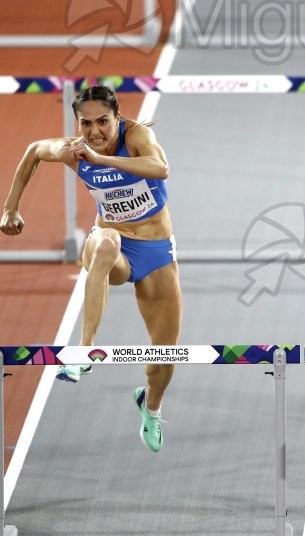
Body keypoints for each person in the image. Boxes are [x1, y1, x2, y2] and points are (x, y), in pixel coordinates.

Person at [1, 85, 181, 453]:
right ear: (77, 122)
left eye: (103, 121)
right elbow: (34, 150)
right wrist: (11, 207)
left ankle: (150, 406)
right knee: (104, 241)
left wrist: (103, 161)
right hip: (113, 250)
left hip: (155, 251)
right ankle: (85, 351)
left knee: (164, 357)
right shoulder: (74, 149)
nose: (95, 131)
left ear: (118, 117)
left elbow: (160, 168)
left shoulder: (137, 137)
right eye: (86, 123)